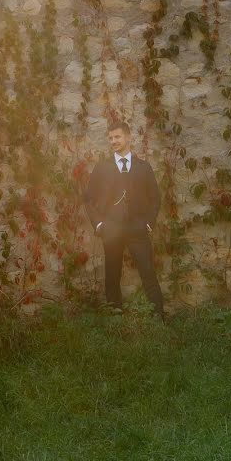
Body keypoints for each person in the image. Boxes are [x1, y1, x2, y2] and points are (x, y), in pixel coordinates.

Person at [83, 120, 164, 317]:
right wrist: (100, 224)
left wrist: (148, 223)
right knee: (112, 274)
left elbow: (155, 198)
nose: (113, 141)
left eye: (117, 136)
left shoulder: (143, 167)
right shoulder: (102, 168)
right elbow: (89, 198)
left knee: (148, 272)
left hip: (138, 228)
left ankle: (158, 316)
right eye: (110, 138)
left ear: (128, 137)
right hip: (111, 229)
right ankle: (115, 316)